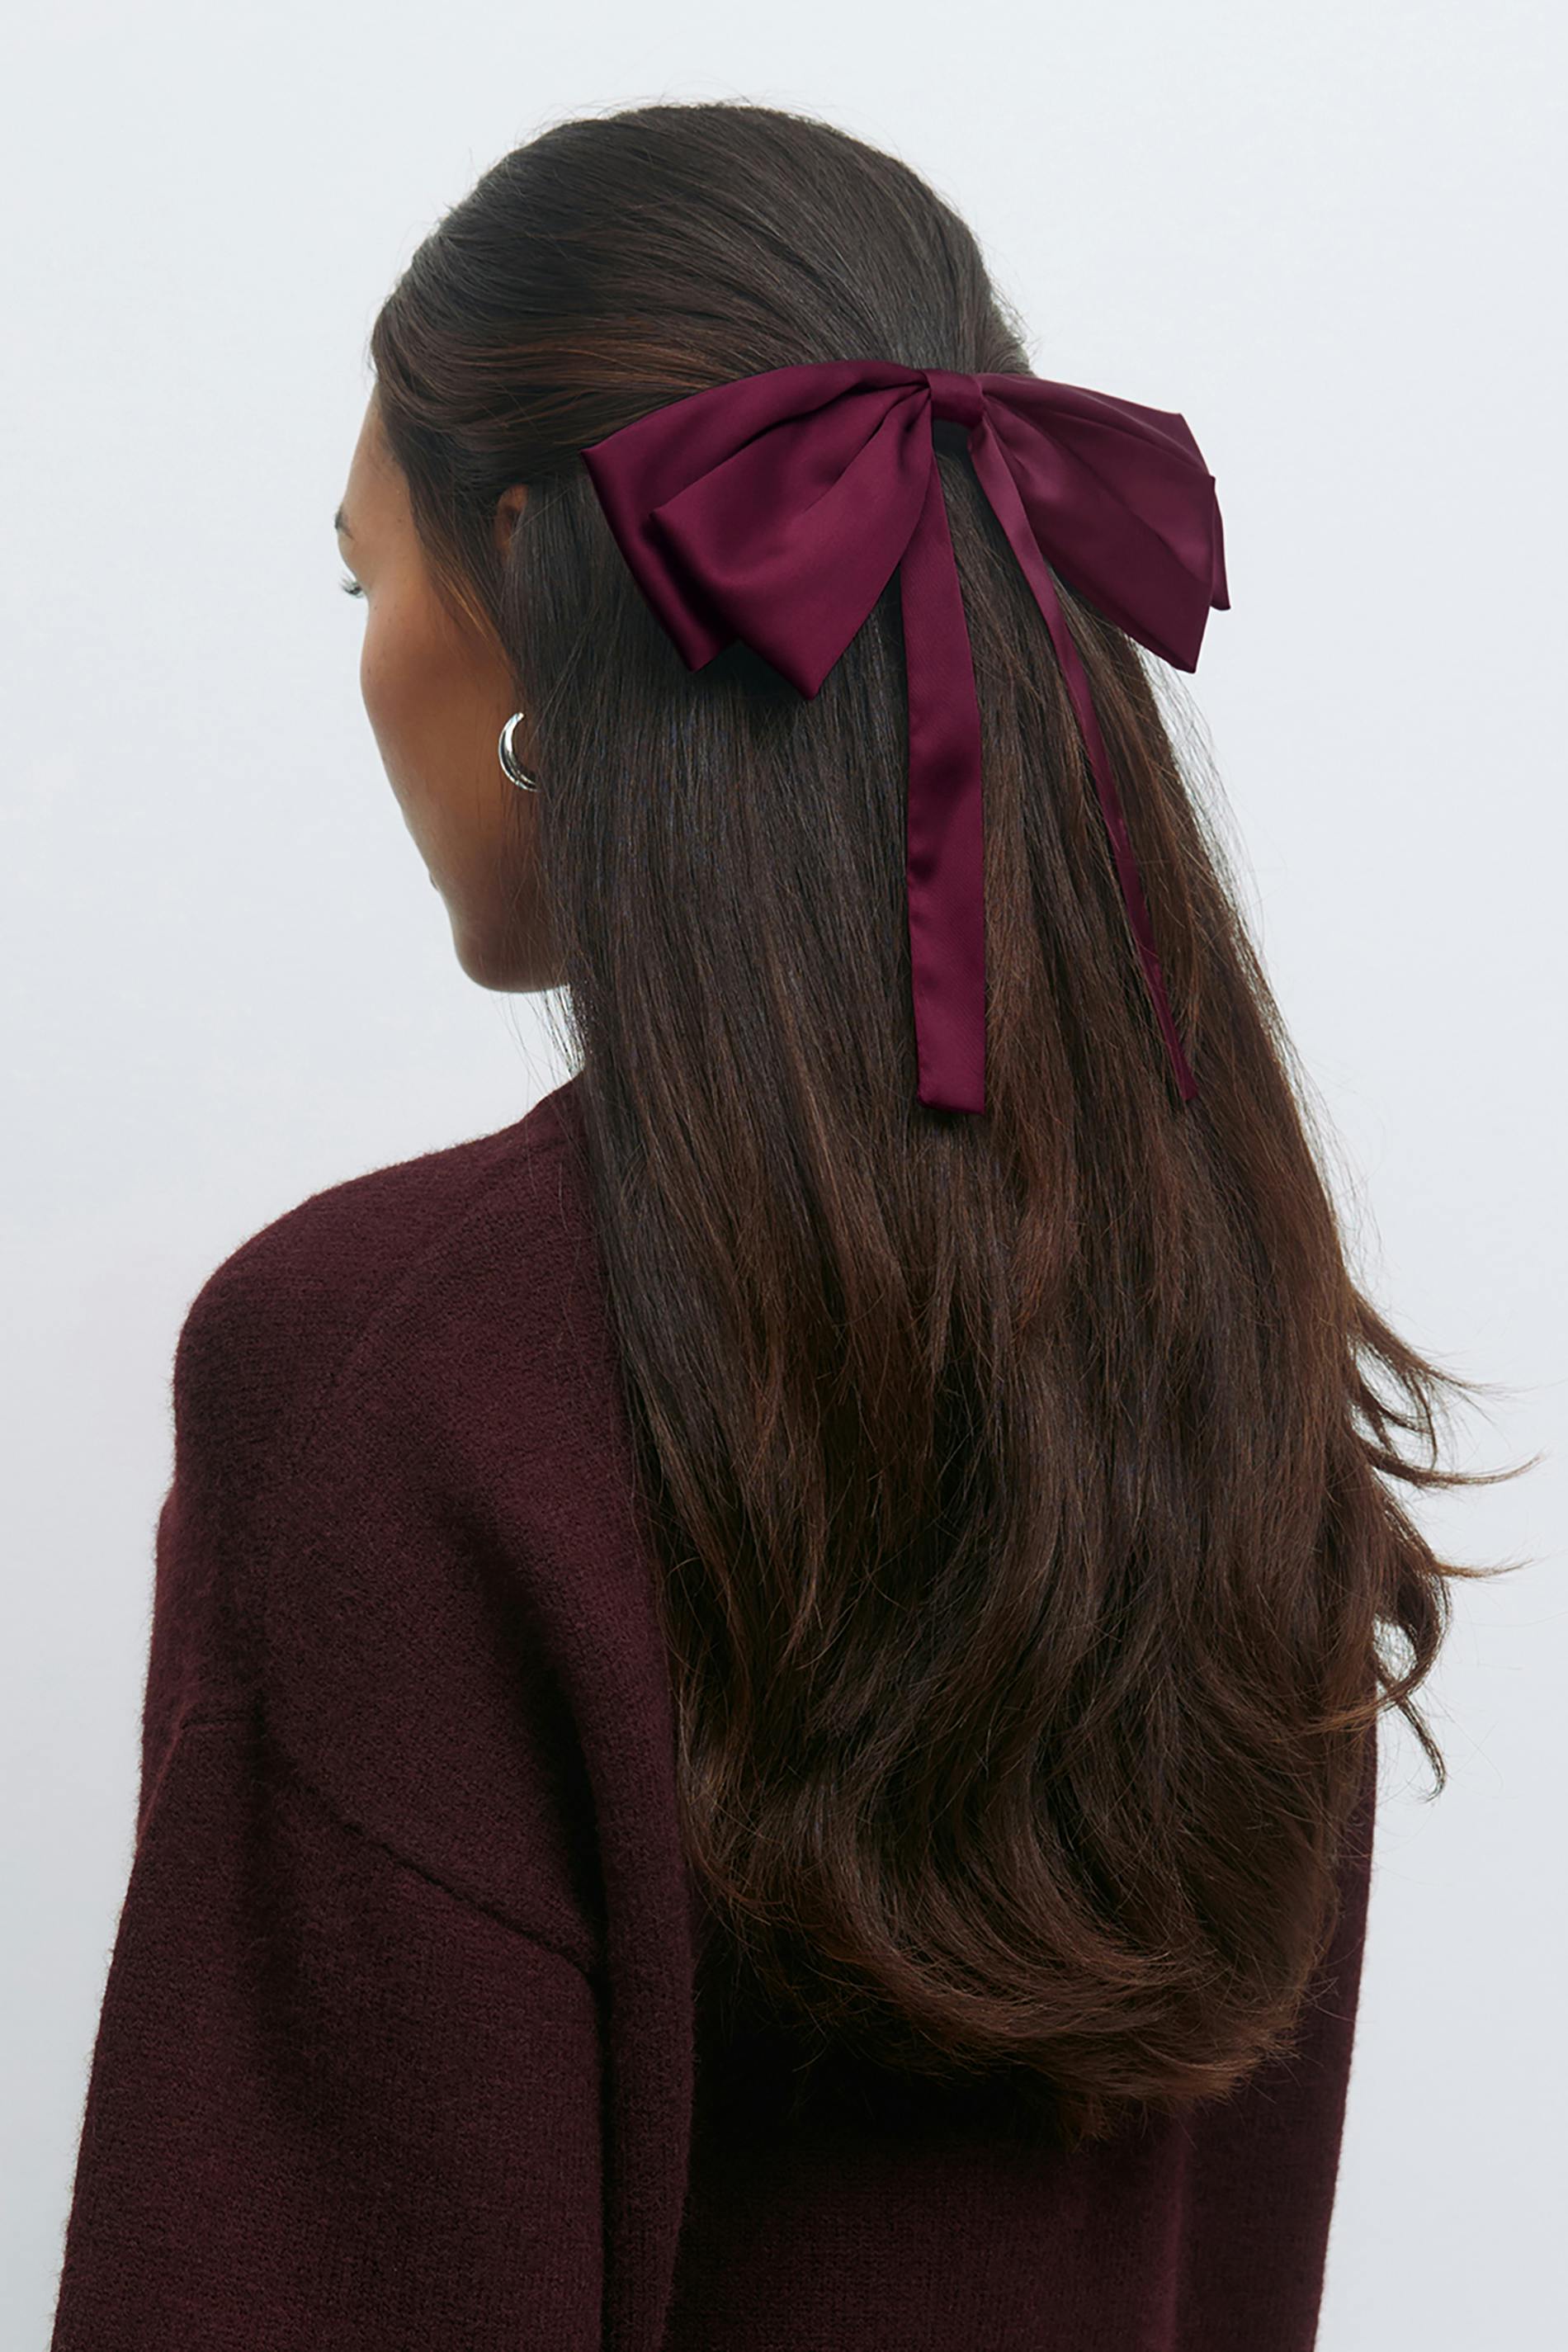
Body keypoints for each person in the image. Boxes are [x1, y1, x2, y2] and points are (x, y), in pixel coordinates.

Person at [49, 99, 1519, 2352]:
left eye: (367, 578)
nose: (368, 658)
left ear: (522, 584)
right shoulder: (1211, 1346)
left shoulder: (393, 1375)